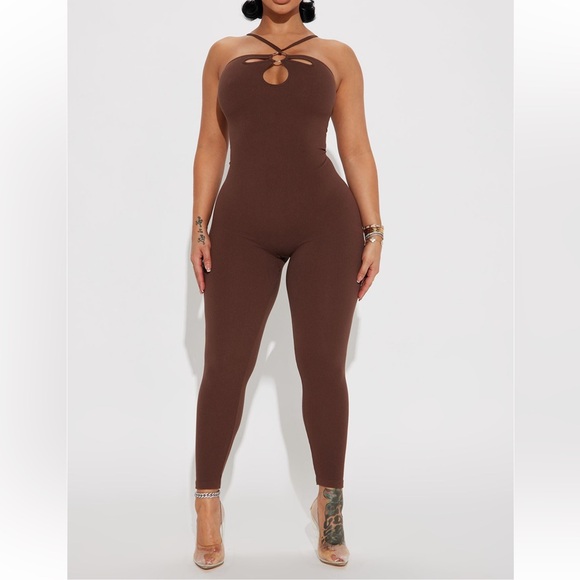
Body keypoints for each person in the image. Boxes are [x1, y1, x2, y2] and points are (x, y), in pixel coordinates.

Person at [190, 0, 383, 569]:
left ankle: (331, 506)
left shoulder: (338, 56)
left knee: (322, 365)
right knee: (225, 365)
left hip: (326, 225)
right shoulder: (223, 53)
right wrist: (198, 226)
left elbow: (355, 147)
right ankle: (207, 507)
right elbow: (211, 144)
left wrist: (374, 230)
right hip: (240, 227)